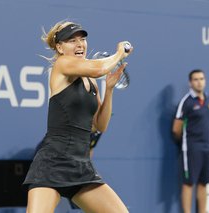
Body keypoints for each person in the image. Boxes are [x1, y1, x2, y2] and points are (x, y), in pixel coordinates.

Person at [23, 20, 133, 213]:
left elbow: (99, 125)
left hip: (81, 165)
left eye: (82, 39)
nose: (79, 44)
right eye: (71, 40)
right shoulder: (62, 64)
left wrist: (108, 90)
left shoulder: (91, 80)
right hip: (52, 162)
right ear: (59, 47)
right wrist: (119, 53)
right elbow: (99, 68)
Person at [172, 69, 209, 213]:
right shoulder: (186, 102)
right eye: (196, 79)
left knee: (203, 182)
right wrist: (185, 143)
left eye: (202, 78)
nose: (199, 82)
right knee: (189, 183)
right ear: (190, 83)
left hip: (206, 147)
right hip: (191, 148)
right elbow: (176, 129)